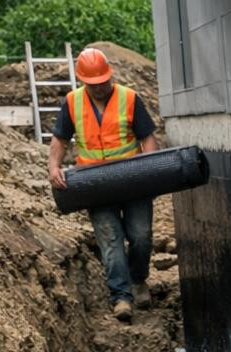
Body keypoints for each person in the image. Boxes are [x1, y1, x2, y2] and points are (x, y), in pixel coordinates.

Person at [47, 47, 160, 323]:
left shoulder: (130, 98)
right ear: (84, 81)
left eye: (103, 82)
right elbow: (60, 139)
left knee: (141, 234)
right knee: (110, 240)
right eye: (93, 84)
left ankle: (138, 280)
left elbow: (147, 138)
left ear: (110, 76)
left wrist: (151, 167)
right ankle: (121, 296)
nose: (99, 88)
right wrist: (54, 167)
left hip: (132, 179)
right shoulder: (73, 103)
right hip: (96, 183)